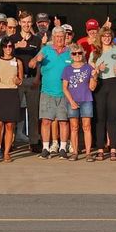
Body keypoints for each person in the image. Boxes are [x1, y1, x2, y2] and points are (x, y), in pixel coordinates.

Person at [29, 27, 71, 159]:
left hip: (65, 92)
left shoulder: (70, 52)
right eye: (57, 37)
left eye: (62, 37)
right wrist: (37, 60)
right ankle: (45, 148)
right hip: (47, 92)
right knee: (46, 121)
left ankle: (63, 147)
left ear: (65, 38)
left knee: (63, 121)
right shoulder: (46, 50)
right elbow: (31, 64)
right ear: (53, 37)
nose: (59, 39)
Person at [89, 27, 116, 160]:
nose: (106, 38)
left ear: (112, 36)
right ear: (100, 37)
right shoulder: (95, 53)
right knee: (100, 119)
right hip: (100, 85)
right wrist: (98, 69)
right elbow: (91, 73)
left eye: (109, 35)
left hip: (114, 84)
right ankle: (100, 148)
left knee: (112, 118)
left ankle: (113, 149)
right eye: (104, 36)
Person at [9, 11, 43, 151]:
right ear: (19, 23)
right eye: (24, 22)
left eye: (29, 22)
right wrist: (16, 46)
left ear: (32, 23)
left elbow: (41, 61)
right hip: (15, 80)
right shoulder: (12, 38)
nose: (26, 24)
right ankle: (9, 142)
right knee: (12, 112)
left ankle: (34, 141)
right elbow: (2, 54)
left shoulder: (37, 40)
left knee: (33, 112)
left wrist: (37, 78)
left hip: (32, 80)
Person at [0, 38, 23, 163]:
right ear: (2, 47)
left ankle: (7, 153)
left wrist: (17, 81)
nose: (8, 48)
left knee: (10, 125)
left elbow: (20, 80)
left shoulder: (18, 61)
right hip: (0, 93)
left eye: (10, 46)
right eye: (6, 46)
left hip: (12, 93)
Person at [62, 44, 98, 162]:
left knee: (87, 127)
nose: (77, 56)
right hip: (73, 100)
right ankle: (75, 152)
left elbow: (92, 88)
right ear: (71, 55)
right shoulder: (67, 69)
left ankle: (88, 153)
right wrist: (71, 101)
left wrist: (95, 77)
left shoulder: (88, 68)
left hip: (86, 99)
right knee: (74, 127)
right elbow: (65, 88)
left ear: (83, 54)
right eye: (74, 53)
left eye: (79, 53)